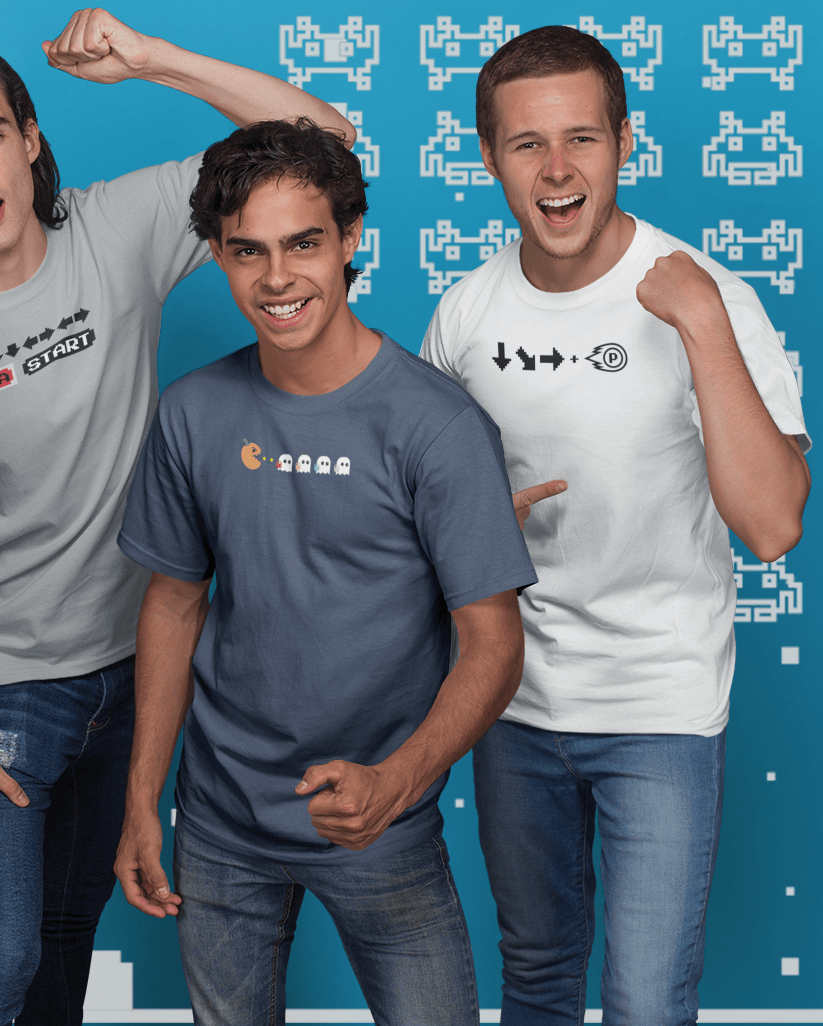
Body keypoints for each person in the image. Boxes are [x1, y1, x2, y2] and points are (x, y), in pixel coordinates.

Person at [0, 9, 356, 1025]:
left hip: (133, 669)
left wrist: (152, 60)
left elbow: (321, 137)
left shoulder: (118, 228)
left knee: (57, 958)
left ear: (33, 138)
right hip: (1, 684)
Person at [420, 25, 810, 1026]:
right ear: (488, 156)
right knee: (539, 983)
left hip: (660, 703)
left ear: (624, 141)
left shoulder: (709, 296)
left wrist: (704, 323)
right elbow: (417, 529)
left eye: (582, 139)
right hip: (511, 701)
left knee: (644, 1000)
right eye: (527, 144)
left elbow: (770, 525)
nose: (557, 169)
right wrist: (469, 530)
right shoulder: (463, 316)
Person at [111, 118, 537, 1026]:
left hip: (380, 823)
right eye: (246, 252)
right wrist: (142, 798)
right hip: (220, 823)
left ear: (349, 240)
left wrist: (399, 780)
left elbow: (494, 645)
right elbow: (174, 606)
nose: (276, 279)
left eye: (304, 243)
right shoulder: (192, 414)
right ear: (218, 258)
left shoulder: (439, 426)